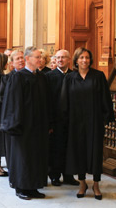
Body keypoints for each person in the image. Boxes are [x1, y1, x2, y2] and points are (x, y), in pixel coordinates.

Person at [60, 47, 114, 200]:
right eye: (81, 58)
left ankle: (96, 184)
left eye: (87, 57)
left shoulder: (98, 76)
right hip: (75, 123)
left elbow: (105, 98)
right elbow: (64, 101)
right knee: (79, 152)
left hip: (94, 122)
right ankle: (82, 183)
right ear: (76, 60)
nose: (85, 60)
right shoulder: (70, 78)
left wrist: (105, 118)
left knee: (95, 152)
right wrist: (64, 121)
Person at [0, 46, 49, 200]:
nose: (40, 60)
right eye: (37, 57)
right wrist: (14, 124)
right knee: (22, 157)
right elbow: (13, 103)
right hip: (22, 126)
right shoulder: (18, 77)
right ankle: (21, 187)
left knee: (35, 157)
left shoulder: (41, 77)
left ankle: (33, 186)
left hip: (38, 126)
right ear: (27, 59)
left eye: (40, 57)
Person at [46, 50, 79, 187]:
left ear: (69, 59)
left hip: (72, 120)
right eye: (58, 58)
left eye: (63, 57)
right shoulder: (49, 77)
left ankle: (68, 175)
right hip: (56, 120)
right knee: (56, 149)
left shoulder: (75, 76)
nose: (60, 60)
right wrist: (49, 123)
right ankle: (54, 175)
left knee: (70, 148)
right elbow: (47, 101)